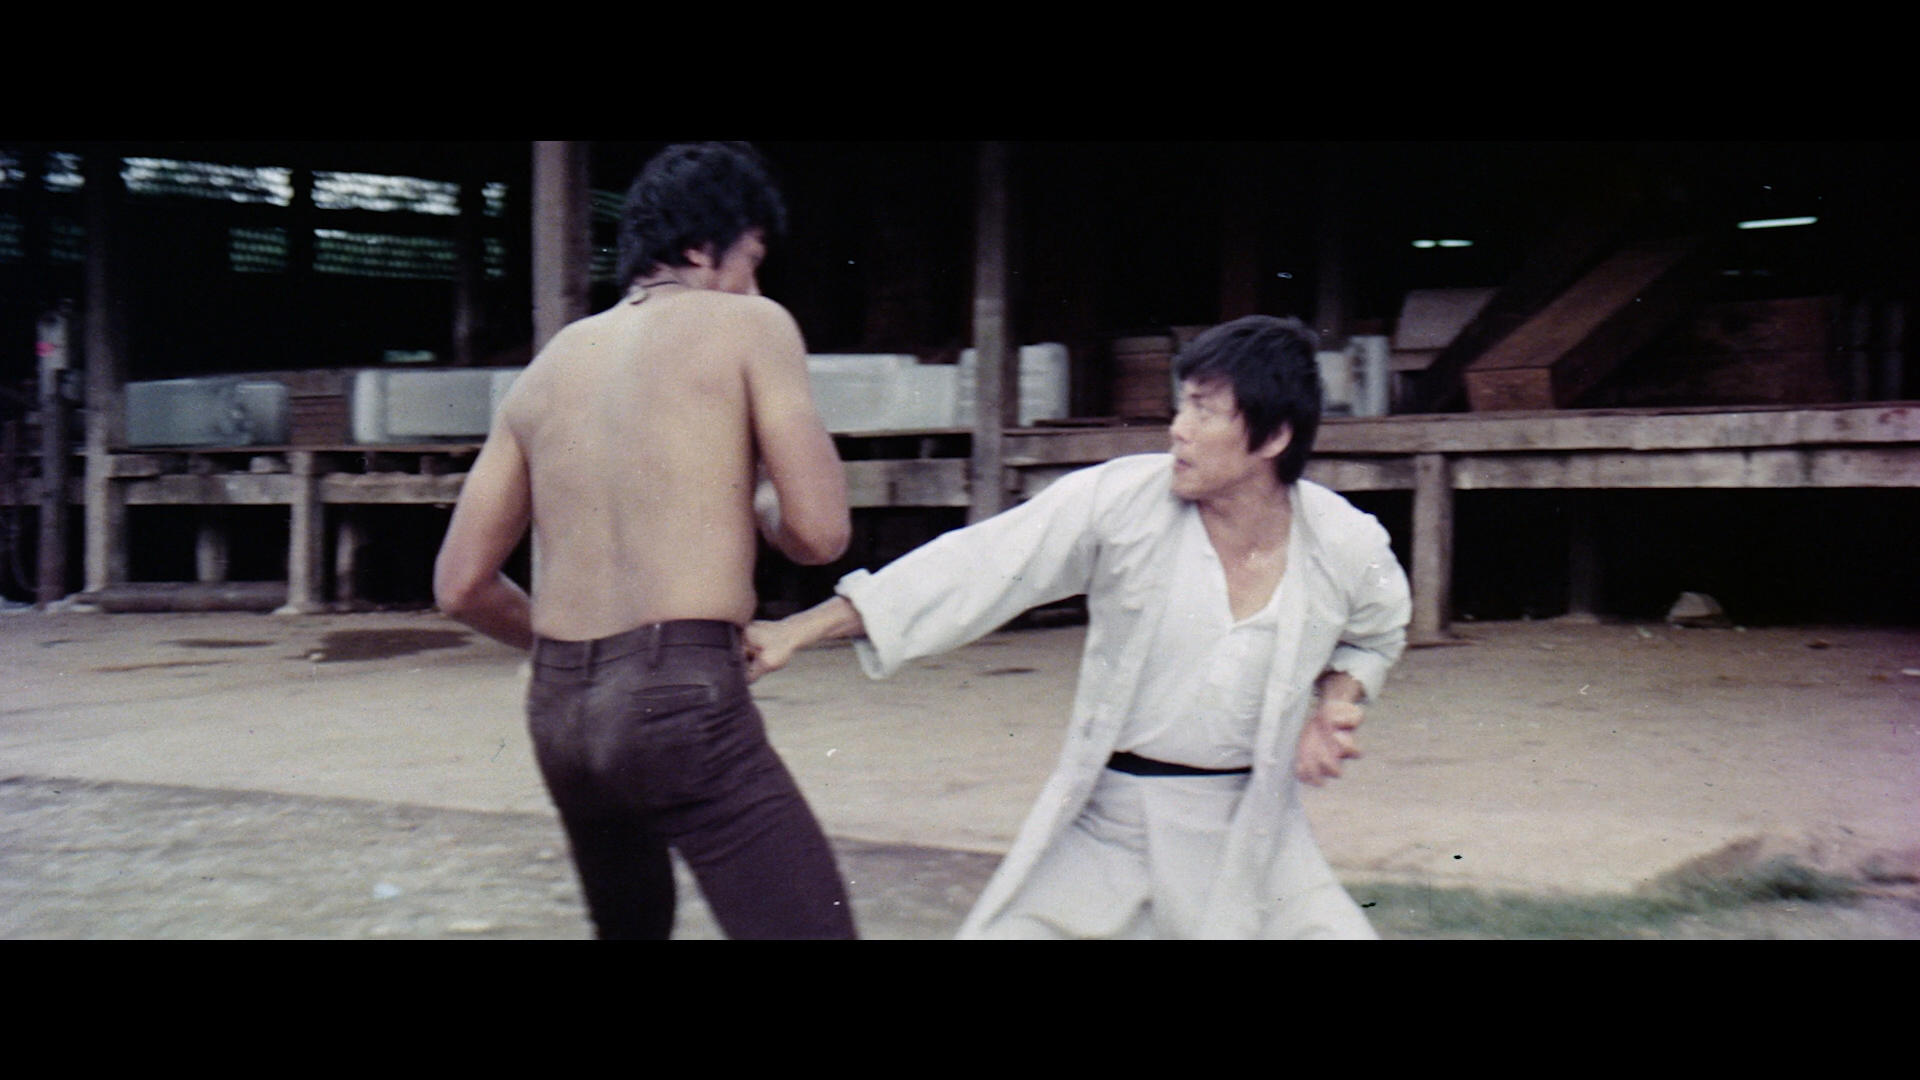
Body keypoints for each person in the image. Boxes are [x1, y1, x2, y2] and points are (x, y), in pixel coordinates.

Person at [746, 315, 1410, 939]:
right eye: (1182, 406)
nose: (1177, 429)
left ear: (1272, 438)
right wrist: (800, 629)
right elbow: (978, 566)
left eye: (1204, 411)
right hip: (1108, 827)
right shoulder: (1120, 500)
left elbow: (1374, 636)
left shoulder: (1346, 544)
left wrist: (1336, 701)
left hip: (1255, 827)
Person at [433, 142, 858, 939]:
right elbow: (820, 533)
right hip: (681, 698)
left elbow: (460, 585)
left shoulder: (550, 364)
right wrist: (761, 497)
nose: (755, 284)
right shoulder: (753, 325)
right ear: (700, 248)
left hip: (561, 709)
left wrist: (588, 666)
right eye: (751, 259)